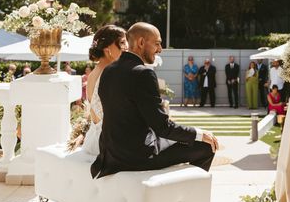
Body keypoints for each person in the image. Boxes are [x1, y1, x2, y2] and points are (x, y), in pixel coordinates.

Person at [90, 22, 218, 179]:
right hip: (136, 157)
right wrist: (199, 133)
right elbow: (162, 127)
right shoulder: (143, 74)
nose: (160, 50)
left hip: (109, 155)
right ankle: (182, 192)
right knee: (206, 147)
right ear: (141, 43)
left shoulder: (109, 70)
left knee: (176, 140)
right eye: (157, 43)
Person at [82, 25, 128, 156]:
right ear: (107, 49)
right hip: (111, 143)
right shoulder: (111, 74)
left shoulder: (93, 73)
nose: (126, 47)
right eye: (122, 43)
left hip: (94, 140)